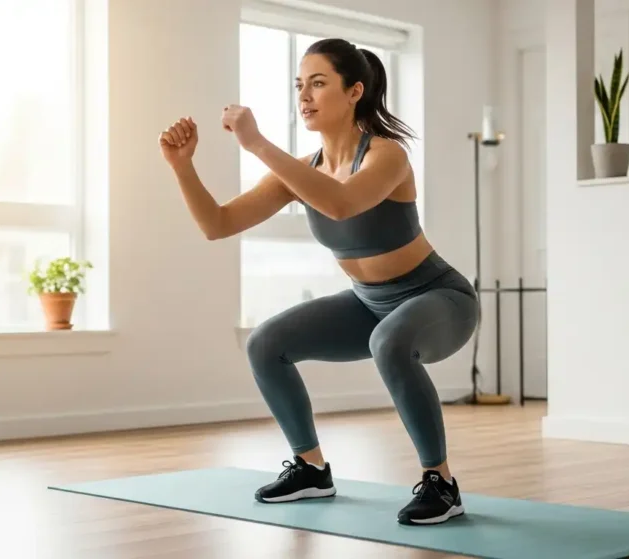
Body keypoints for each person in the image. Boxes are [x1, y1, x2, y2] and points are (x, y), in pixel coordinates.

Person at [157, 38, 479, 526]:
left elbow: (342, 204)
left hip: (439, 298)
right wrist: (183, 168)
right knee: (267, 343)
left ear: (355, 92)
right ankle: (310, 469)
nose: (304, 95)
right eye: (299, 85)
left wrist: (257, 143)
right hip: (370, 303)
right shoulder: (301, 172)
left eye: (319, 83)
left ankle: (442, 484)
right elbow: (216, 224)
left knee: (388, 342)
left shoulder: (386, 156)